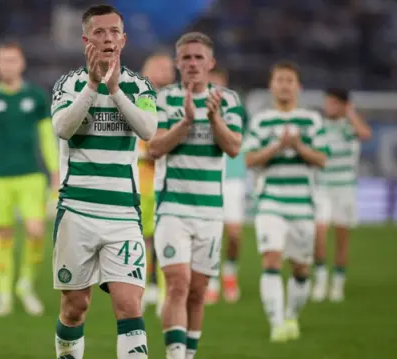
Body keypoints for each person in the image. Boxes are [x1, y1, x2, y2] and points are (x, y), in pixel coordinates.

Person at [50, 4, 158, 358]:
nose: (108, 38)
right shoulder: (68, 84)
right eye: (99, 32)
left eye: (114, 32)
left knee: (129, 304)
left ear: (124, 39)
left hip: (123, 214)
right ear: (86, 39)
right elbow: (63, 130)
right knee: (74, 307)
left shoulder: (139, 85)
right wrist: (94, 86)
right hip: (77, 211)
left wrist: (114, 90)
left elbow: (148, 130)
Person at [148, 32, 244, 359]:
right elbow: (154, 147)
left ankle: (188, 355)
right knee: (177, 283)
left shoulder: (228, 101)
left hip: (211, 212)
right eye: (186, 58)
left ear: (211, 63)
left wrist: (213, 118)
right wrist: (186, 123)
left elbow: (233, 148)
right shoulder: (162, 100)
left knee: (198, 293)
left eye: (198, 58)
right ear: (177, 63)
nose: (192, 64)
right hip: (172, 208)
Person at [0, 41, 58, 317]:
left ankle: (25, 285)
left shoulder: (36, 97)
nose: (6, 66)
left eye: (11, 60)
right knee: (2, 235)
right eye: (2, 61)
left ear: (22, 63)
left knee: (36, 231)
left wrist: (55, 172)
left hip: (31, 177)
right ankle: (4, 296)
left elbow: (46, 137)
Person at [243, 61, 328, 343]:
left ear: (298, 86)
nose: (283, 85)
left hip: (302, 204)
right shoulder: (261, 121)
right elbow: (248, 159)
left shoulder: (311, 120)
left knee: (302, 269)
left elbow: (323, 158)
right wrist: (277, 146)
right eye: (279, 80)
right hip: (270, 202)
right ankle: (277, 323)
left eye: (289, 80)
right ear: (271, 86)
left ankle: (291, 315)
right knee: (271, 260)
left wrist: (298, 146)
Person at [311, 89, 371, 303]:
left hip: (344, 189)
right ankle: (320, 280)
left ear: (344, 105)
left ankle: (337, 285)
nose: (329, 107)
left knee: (341, 240)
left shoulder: (348, 126)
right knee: (318, 236)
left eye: (334, 103)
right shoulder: (320, 126)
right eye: (327, 102)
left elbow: (365, 134)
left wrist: (350, 113)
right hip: (323, 188)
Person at [204, 67, 247, 305]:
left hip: (232, 176)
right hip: (209, 175)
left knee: (234, 233)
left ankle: (230, 272)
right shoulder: (196, 107)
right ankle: (212, 280)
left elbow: (240, 139)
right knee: (211, 233)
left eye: (218, 81)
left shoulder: (236, 108)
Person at [138, 51, 175, 316]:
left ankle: (163, 295)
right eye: (158, 66)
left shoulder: (177, 102)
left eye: (168, 66)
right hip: (141, 181)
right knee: (139, 240)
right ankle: (141, 290)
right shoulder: (135, 100)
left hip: (169, 181)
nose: (165, 70)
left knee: (166, 239)